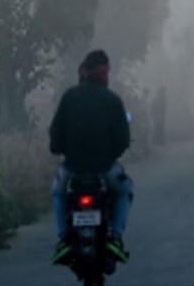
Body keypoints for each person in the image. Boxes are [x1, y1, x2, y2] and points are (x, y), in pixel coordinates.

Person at [49, 49, 133, 266]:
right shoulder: (113, 100)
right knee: (125, 189)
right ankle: (115, 236)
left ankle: (64, 239)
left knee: (58, 193)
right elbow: (123, 139)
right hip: (105, 169)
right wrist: (110, 156)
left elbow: (55, 133)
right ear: (104, 72)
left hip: (72, 168)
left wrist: (59, 149)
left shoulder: (69, 97)